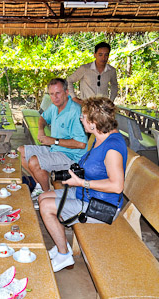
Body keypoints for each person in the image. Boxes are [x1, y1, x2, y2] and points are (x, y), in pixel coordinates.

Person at [38, 97, 127, 272]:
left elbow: (117, 186)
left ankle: (64, 256)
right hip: (87, 193)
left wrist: (82, 182)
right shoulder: (100, 137)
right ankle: (62, 245)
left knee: (47, 207)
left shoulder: (112, 147)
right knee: (42, 197)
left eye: (83, 117)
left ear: (94, 122)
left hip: (102, 206)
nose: (81, 120)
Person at [17, 78, 88, 205]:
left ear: (67, 92)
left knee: (34, 161)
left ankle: (47, 195)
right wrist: (40, 130)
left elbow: (81, 144)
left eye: (58, 93)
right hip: (55, 149)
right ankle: (41, 185)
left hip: (71, 157)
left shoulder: (74, 111)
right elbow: (43, 118)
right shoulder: (55, 107)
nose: (55, 97)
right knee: (20, 152)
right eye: (51, 94)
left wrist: (53, 141)